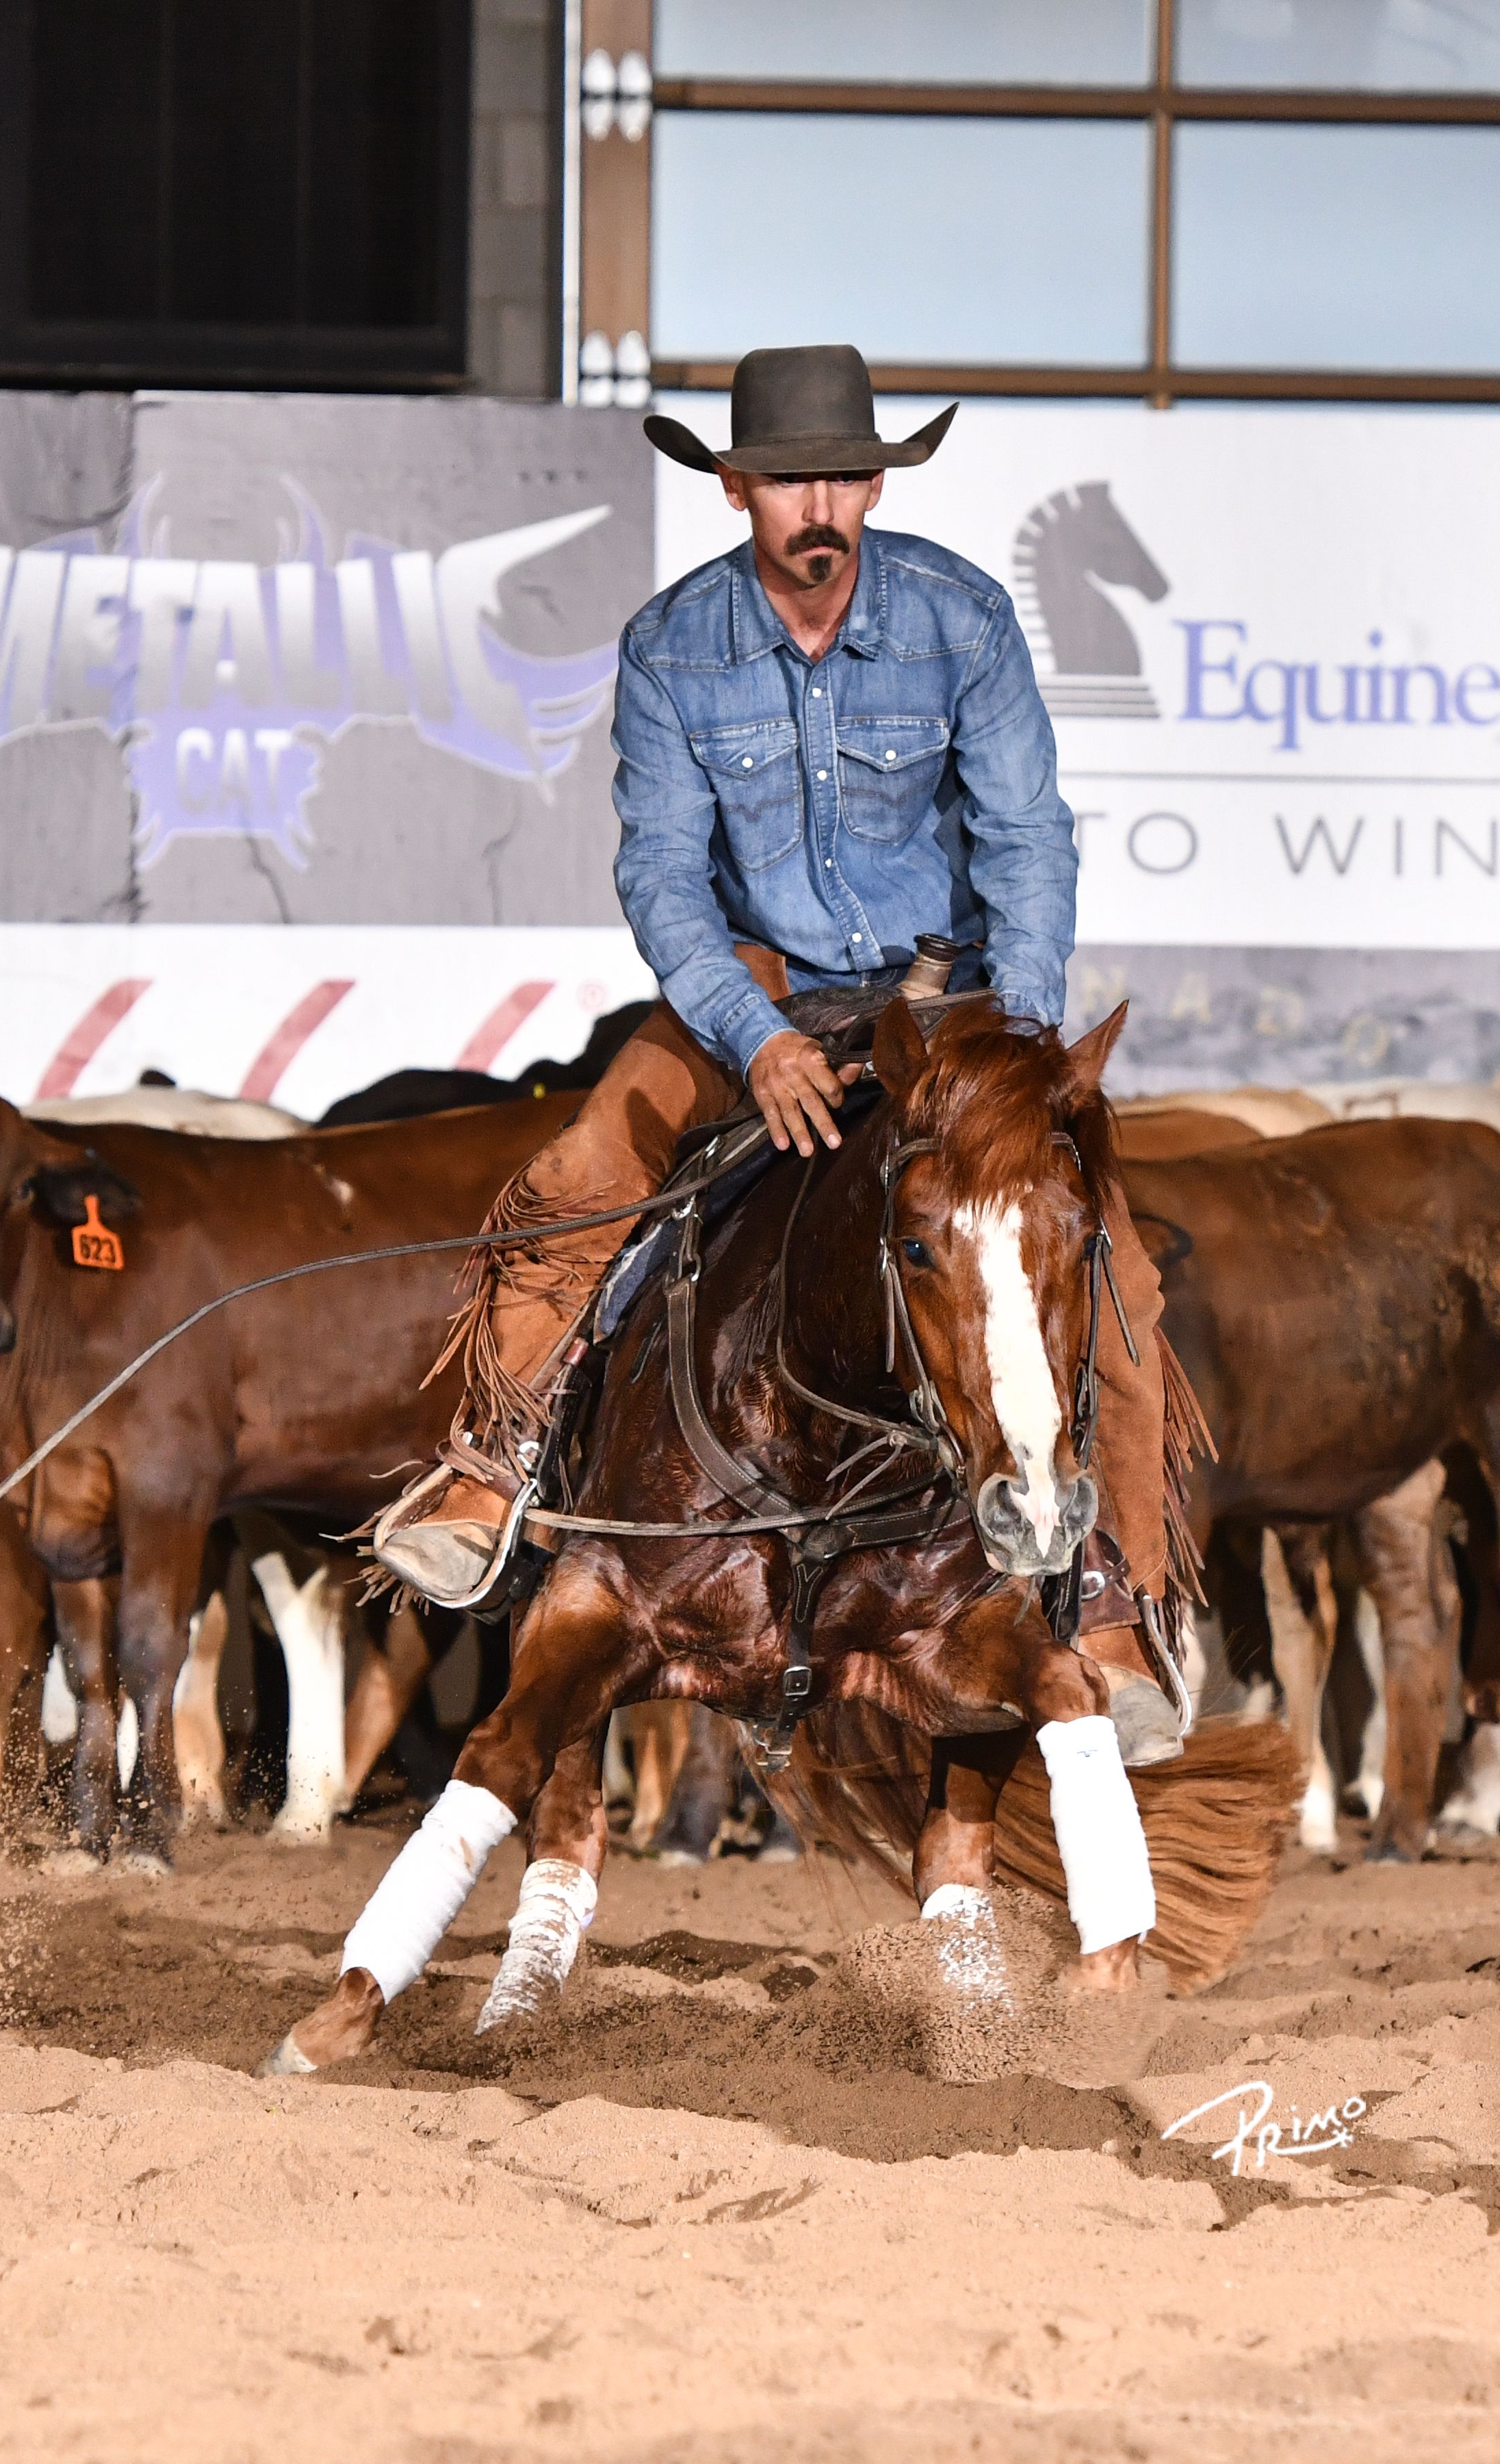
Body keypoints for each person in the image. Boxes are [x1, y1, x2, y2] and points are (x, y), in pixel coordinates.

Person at [372, 343, 1185, 1645]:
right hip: (758, 981)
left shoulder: (962, 618)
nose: (821, 510)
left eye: (845, 480)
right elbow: (663, 875)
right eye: (793, 484)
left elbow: (1027, 836)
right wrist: (754, 1039)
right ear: (736, 488)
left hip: (952, 993)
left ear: (876, 486)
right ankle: (491, 1471)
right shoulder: (671, 646)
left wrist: (1019, 1056)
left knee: (1107, 1257)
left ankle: (1116, 1595)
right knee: (583, 1172)